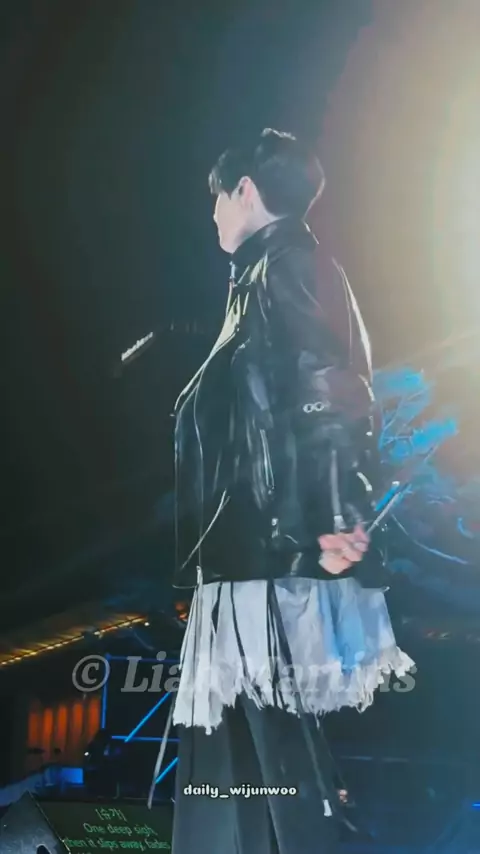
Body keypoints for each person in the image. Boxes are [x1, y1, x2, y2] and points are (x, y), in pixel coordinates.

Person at [168, 128, 414, 854]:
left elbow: (327, 391)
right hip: (255, 551)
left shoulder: (290, 268)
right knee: (240, 765)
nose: (213, 213)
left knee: (274, 759)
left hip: (275, 552)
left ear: (245, 190)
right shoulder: (265, 275)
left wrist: (336, 514)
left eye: (217, 196)